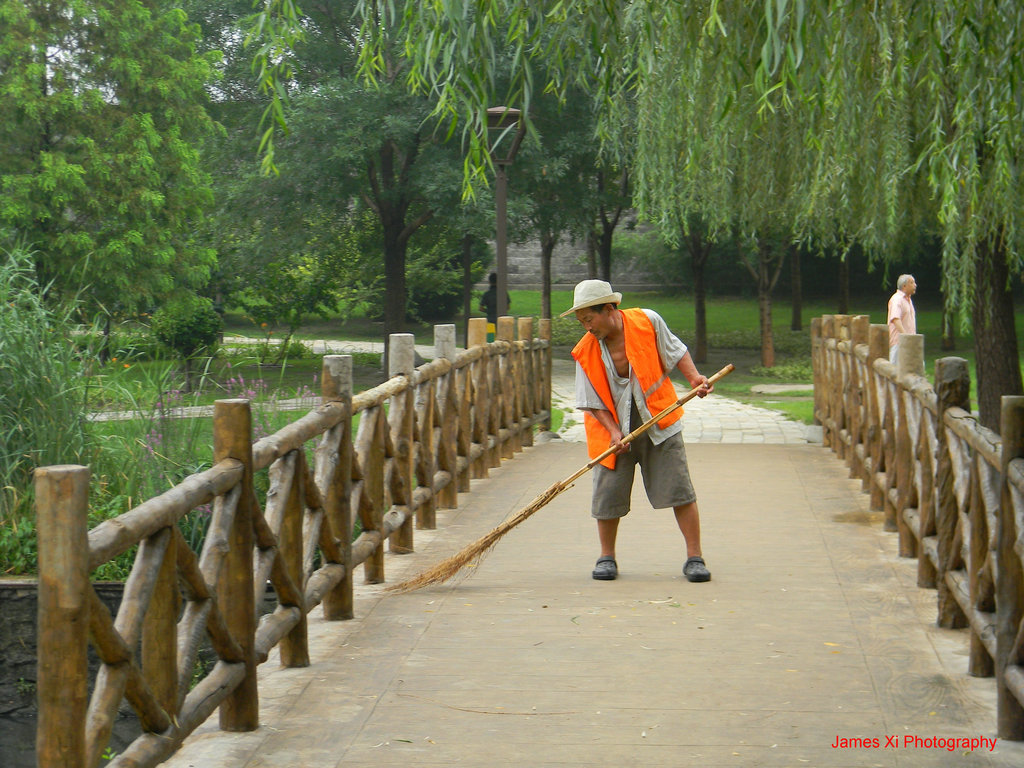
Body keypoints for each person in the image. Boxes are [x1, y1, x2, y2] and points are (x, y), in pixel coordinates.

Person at [560, 279, 713, 583]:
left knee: (680, 490)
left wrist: (694, 377)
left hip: (659, 421)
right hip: (612, 432)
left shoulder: (648, 321)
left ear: (608, 308)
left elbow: (676, 350)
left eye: (589, 319)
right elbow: (591, 401)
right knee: (607, 496)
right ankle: (606, 558)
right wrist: (614, 431)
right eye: (581, 322)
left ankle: (695, 558)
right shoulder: (585, 351)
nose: (587, 327)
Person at [887, 274, 917, 364]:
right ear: (904, 286)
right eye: (912, 283)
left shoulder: (908, 300)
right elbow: (896, 319)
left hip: (909, 341)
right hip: (899, 342)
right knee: (896, 371)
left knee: (915, 367)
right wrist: (905, 336)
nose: (915, 285)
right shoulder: (897, 299)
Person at [479, 272, 510, 342]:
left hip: (490, 320)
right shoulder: (503, 293)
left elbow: (481, 308)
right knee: (503, 340)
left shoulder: (487, 294)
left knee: (490, 340)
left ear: (489, 282)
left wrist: (489, 311)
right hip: (502, 320)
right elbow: (508, 307)